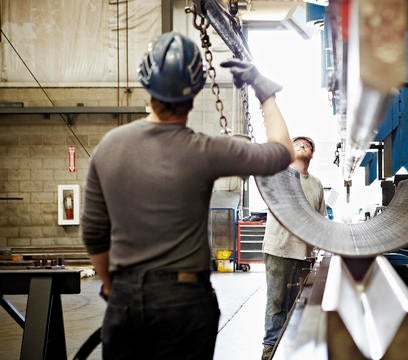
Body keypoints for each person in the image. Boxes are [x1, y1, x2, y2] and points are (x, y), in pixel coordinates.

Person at [81, 31, 294, 360]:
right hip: (185, 302)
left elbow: (94, 233)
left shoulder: (109, 146)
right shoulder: (206, 150)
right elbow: (282, 152)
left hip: (126, 296)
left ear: (146, 87)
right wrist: (264, 91)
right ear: (194, 95)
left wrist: (112, 285)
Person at [261, 135, 327, 360]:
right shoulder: (279, 176)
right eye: (298, 143)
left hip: (304, 254)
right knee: (276, 302)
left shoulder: (316, 184)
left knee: (295, 306)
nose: (303, 145)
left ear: (312, 154)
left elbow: (322, 220)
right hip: (279, 248)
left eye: (308, 145)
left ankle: (288, 349)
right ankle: (270, 348)